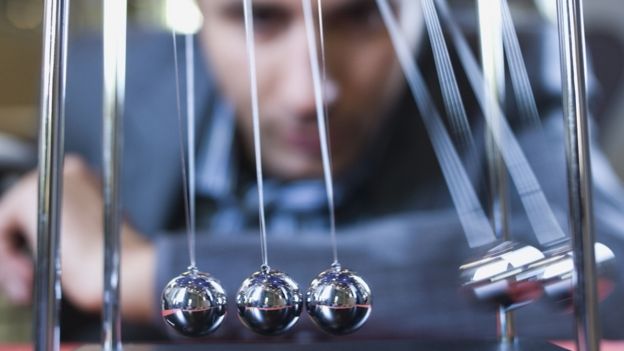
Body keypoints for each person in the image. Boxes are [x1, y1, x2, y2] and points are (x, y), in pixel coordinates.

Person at [1, 0, 624, 342]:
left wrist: (139, 273)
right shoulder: (98, 78)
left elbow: (602, 273)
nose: (312, 91)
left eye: (360, 16)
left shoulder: (512, 73)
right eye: (260, 19)